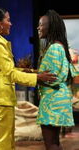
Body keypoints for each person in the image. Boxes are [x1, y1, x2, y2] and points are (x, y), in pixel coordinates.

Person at [0, 7, 57, 150]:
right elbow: (10, 74)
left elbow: (4, 70)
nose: (11, 24)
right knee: (4, 140)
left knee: (7, 137)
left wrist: (29, 71)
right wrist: (37, 78)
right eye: (8, 20)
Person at [36, 10, 76, 150]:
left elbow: (51, 78)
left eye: (41, 25)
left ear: (50, 27)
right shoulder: (61, 46)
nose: (38, 28)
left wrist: (34, 78)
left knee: (51, 144)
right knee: (55, 142)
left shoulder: (53, 48)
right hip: (59, 99)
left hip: (52, 100)